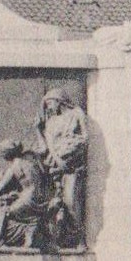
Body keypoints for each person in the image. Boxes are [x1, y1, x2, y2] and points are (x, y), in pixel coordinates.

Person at [37, 88, 90, 246]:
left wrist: (70, 151)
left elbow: (85, 138)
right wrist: (38, 129)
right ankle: (57, 239)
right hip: (56, 168)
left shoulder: (77, 113)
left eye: (50, 103)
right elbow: (46, 147)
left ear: (59, 100)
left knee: (71, 203)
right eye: (46, 105)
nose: (49, 108)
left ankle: (79, 240)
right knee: (55, 205)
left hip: (73, 167)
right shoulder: (51, 122)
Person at [0, 140, 55, 250]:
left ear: (6, 155)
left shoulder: (13, 168)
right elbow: (44, 148)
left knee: (4, 213)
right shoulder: (31, 155)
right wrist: (38, 129)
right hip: (44, 197)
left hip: (29, 199)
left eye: (2, 153)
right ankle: (33, 229)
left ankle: (29, 230)